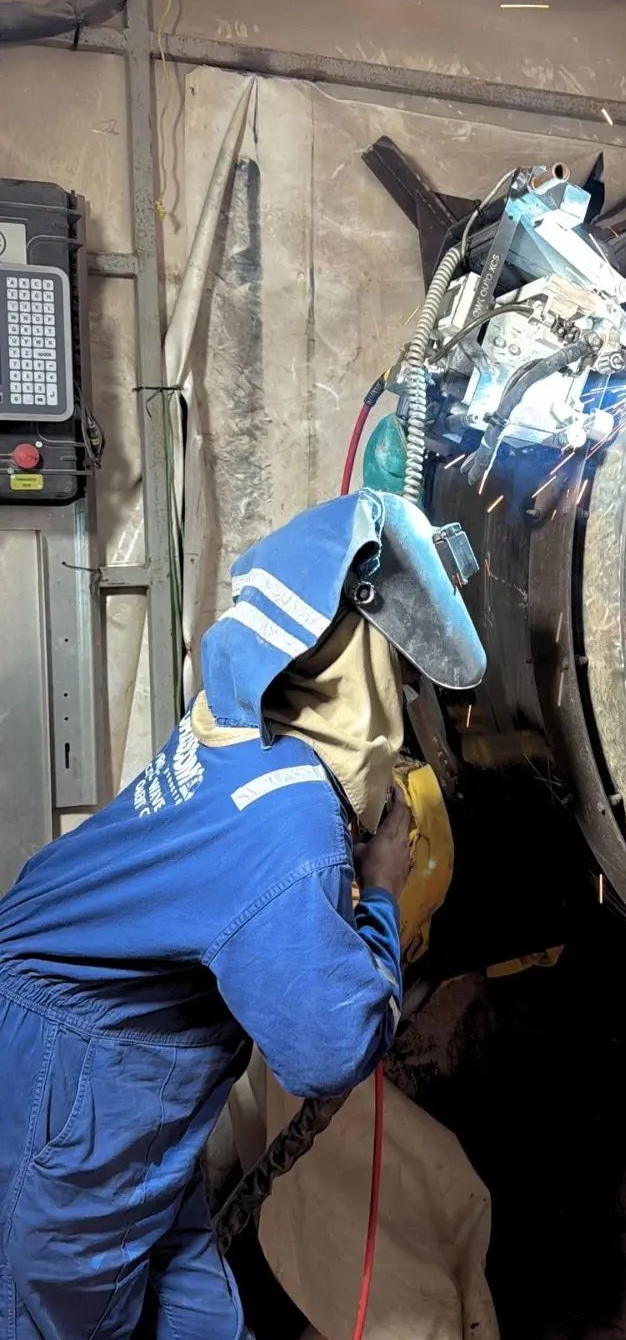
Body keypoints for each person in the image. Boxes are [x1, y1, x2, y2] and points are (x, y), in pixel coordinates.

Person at [0, 489, 485, 1340]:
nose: (404, 698)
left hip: (115, 1054)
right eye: (399, 675)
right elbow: (328, 1049)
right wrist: (378, 889)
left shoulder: (235, 718)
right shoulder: (287, 826)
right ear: (360, 661)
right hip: (77, 1074)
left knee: (195, 1312)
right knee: (65, 1314)